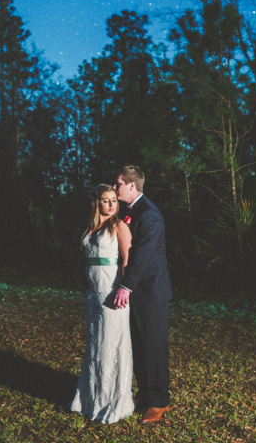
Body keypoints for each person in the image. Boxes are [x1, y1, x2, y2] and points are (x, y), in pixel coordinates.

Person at [112, 165, 172, 424]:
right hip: (137, 291)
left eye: (118, 184)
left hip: (152, 292)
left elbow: (144, 256)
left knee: (154, 348)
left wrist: (126, 286)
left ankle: (159, 403)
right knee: (138, 346)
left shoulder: (150, 215)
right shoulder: (131, 211)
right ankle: (146, 394)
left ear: (131, 186)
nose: (116, 188)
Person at [70, 184, 135, 424]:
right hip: (93, 295)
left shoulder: (120, 226)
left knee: (111, 343)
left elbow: (127, 260)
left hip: (112, 293)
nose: (110, 205)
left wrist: (124, 289)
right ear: (97, 202)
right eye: (105, 201)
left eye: (113, 200)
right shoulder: (90, 227)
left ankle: (112, 400)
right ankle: (91, 398)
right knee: (96, 343)